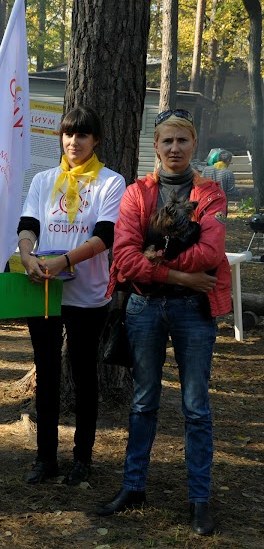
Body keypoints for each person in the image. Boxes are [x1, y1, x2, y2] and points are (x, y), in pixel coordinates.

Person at [97, 109, 231, 536]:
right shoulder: (137, 194)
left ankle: (199, 500)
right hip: (145, 308)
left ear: (194, 145)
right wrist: (178, 274)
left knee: (196, 407)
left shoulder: (210, 194)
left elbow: (210, 254)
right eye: (167, 142)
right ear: (155, 146)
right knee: (143, 402)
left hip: (194, 311)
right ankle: (133, 488)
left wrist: (155, 257)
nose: (174, 149)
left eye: (182, 141)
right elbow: (124, 258)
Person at [17, 106, 125, 486]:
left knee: (83, 375)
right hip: (43, 290)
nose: (73, 142)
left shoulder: (111, 182)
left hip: (89, 294)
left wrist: (64, 260)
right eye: (68, 134)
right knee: (46, 375)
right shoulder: (44, 180)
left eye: (82, 135)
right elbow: (28, 224)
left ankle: (82, 459)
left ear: (95, 140)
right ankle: (45, 459)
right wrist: (28, 256)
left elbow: (105, 236)